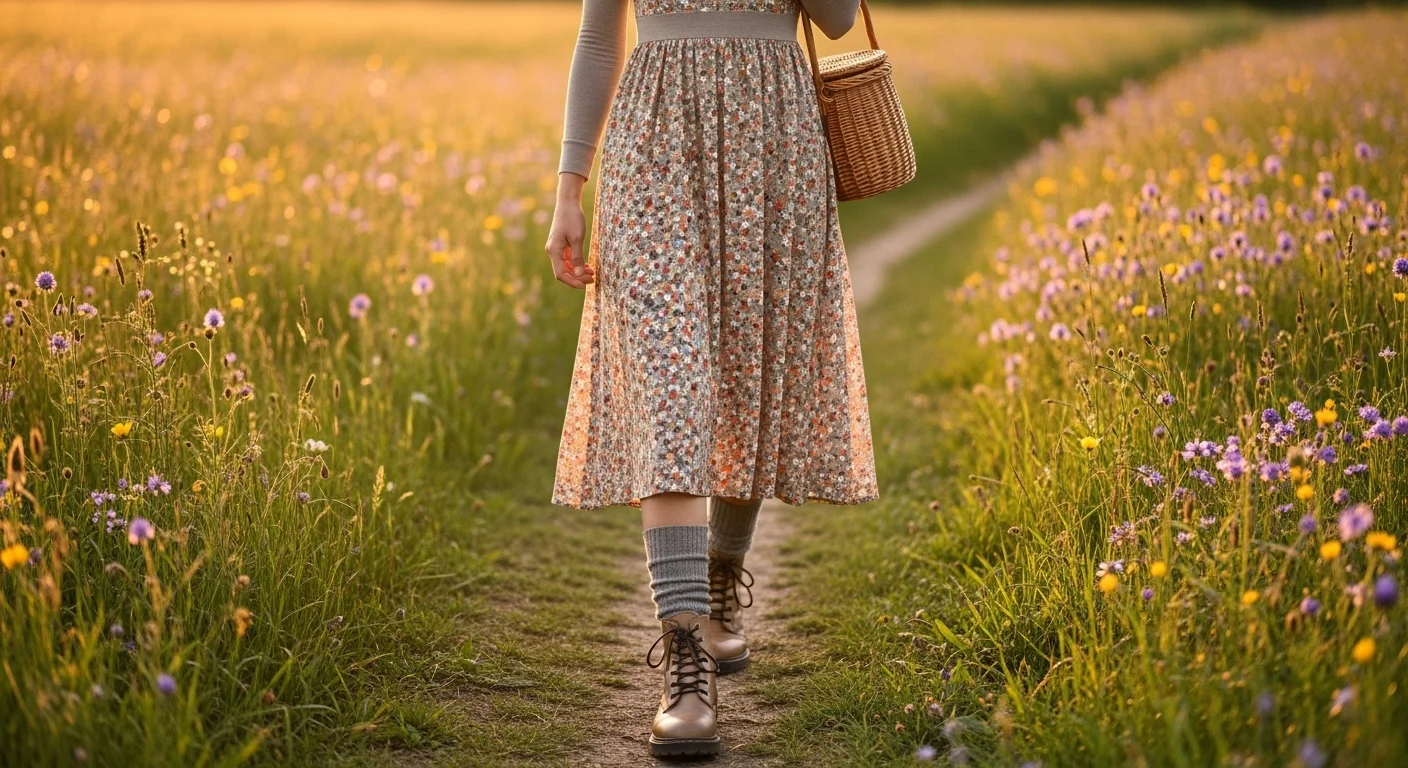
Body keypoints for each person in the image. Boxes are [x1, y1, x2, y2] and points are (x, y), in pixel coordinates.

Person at [544, 0, 877, 757]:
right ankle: (685, 655)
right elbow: (600, 37)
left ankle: (722, 573)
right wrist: (570, 187)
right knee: (671, 389)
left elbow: (834, 19)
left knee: (747, 371)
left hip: (776, 148)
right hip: (652, 149)